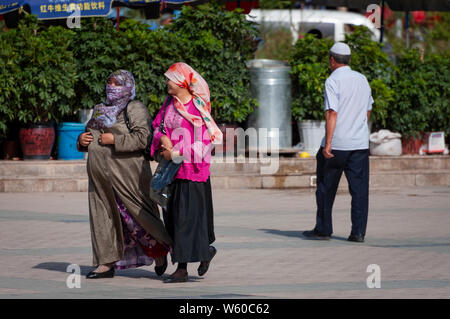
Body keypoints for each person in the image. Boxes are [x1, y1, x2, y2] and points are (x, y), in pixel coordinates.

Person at [77, 70, 173, 279]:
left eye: (117, 83)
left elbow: (143, 139)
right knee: (103, 218)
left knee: (139, 218)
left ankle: (163, 252)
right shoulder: (100, 109)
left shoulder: (135, 107)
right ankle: (105, 263)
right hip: (100, 176)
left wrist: (115, 140)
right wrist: (82, 141)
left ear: (128, 86)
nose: (112, 87)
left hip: (129, 176)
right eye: (109, 82)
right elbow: (90, 134)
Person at [151, 62, 223, 283]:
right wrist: (162, 139)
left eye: (170, 79)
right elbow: (158, 126)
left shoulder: (198, 107)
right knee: (172, 218)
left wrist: (177, 153)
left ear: (182, 82)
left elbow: (207, 140)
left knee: (187, 219)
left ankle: (182, 268)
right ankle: (204, 251)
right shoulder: (168, 104)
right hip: (171, 172)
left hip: (192, 171)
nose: (166, 83)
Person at [303, 42, 373, 243]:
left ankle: (324, 229)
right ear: (349, 60)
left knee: (326, 187)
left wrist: (328, 144)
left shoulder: (332, 81)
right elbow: (367, 110)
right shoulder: (362, 79)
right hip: (359, 144)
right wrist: (357, 129)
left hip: (338, 145)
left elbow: (332, 112)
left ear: (332, 60)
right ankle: (358, 232)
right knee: (359, 190)